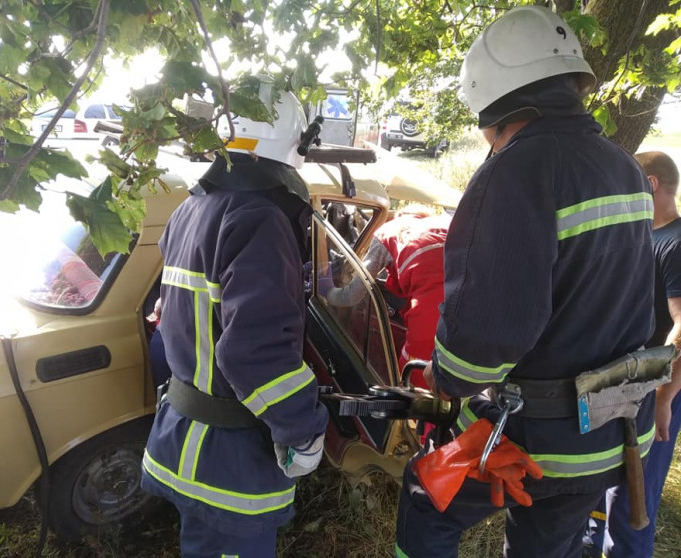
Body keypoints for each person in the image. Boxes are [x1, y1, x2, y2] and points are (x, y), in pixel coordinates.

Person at [394, 6, 656, 558]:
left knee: (427, 499)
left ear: (489, 104)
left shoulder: (515, 173)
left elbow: (483, 342)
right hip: (610, 434)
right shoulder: (623, 166)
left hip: (537, 440)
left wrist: (445, 380)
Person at [140, 80, 329, 558]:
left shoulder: (192, 208)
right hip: (230, 461)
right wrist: (303, 428)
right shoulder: (259, 218)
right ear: (293, 143)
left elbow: (177, 314)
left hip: (183, 439)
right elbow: (255, 353)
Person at [596, 151, 681, 557]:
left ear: (649, 184)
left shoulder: (678, 243)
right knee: (602, 483)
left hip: (657, 387)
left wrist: (665, 396)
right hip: (626, 382)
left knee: (633, 496)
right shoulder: (644, 236)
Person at [325, 205, 449, 385]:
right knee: (460, 378)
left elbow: (352, 295)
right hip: (475, 312)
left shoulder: (389, 232)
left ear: (399, 216)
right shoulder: (442, 225)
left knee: (410, 376)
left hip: (433, 315)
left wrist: (325, 292)